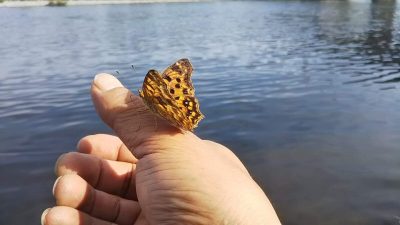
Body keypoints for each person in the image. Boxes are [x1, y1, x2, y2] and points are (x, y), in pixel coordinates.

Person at [41, 74, 281, 225]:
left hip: (174, 116)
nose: (140, 95)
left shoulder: (151, 95)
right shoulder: (154, 96)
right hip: (178, 115)